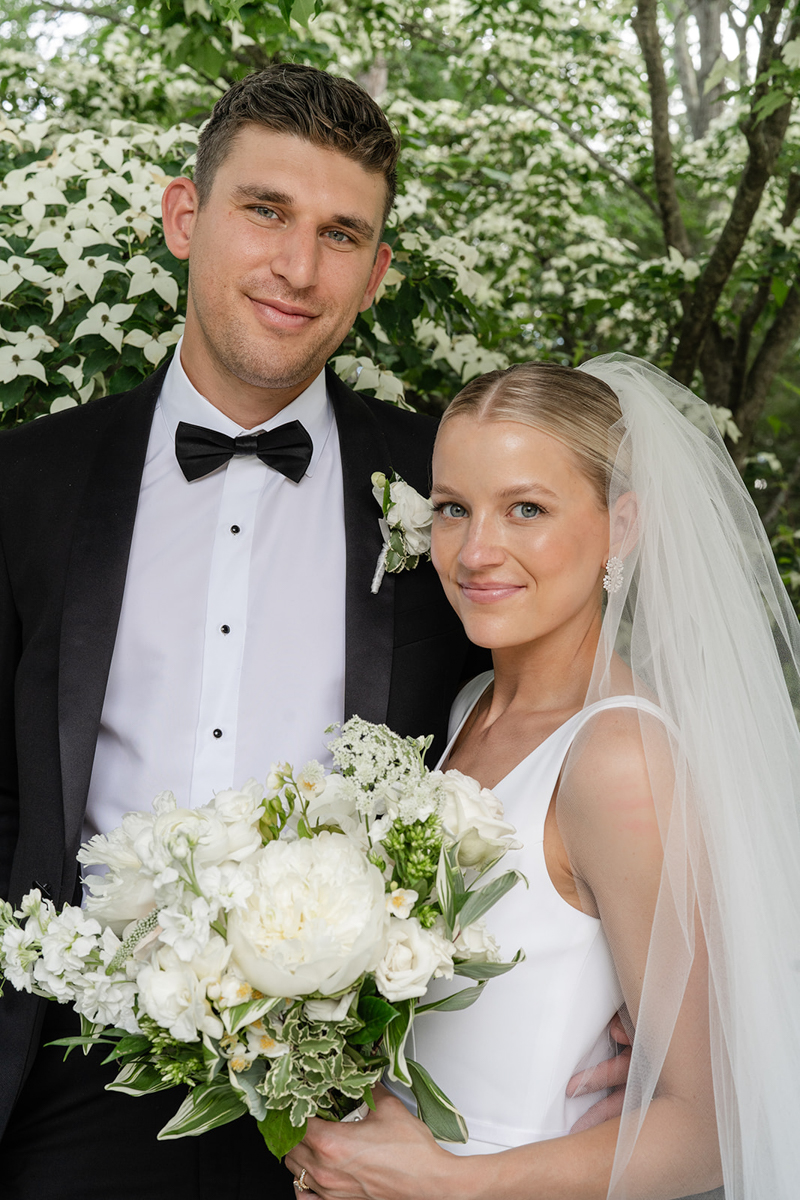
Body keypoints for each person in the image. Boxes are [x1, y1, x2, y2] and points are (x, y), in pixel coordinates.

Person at [0, 65, 482, 1200]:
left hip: (354, 1092)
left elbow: (552, 724)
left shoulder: (445, 494)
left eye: (340, 234)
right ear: (185, 217)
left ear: (376, 275)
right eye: (265, 210)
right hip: (73, 1074)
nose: (297, 267)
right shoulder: (25, 483)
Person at [284, 356, 800, 1200]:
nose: (477, 550)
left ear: (621, 527)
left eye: (527, 509)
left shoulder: (618, 759)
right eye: (453, 508)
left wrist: (448, 1184)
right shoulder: (471, 706)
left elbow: (715, 1129)